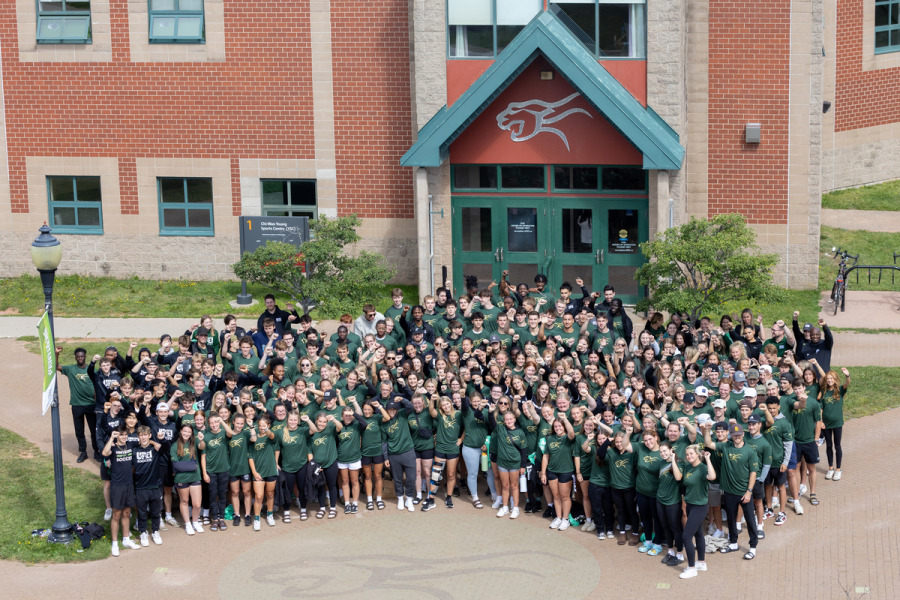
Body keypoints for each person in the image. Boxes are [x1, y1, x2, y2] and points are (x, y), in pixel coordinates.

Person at [703, 423, 760, 560]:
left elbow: (753, 473)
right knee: (730, 518)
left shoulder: (750, 451)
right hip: (729, 491)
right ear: (731, 436)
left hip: (744, 492)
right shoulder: (726, 446)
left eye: (739, 435)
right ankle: (733, 543)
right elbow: (708, 443)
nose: (737, 437)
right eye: (734, 435)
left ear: (743, 434)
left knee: (751, 520)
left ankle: (753, 547)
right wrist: (707, 429)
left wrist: (749, 491)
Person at [672, 444, 717, 579]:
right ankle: (701, 563)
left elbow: (712, 476)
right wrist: (673, 460)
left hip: (700, 507)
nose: (689, 456)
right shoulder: (687, 467)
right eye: (687, 454)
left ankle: (692, 568)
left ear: (698, 454)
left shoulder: (703, 468)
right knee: (698, 534)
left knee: (686, 536)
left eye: (691, 454)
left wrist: (708, 459)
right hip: (690, 505)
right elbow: (679, 478)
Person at [103, 425, 141, 556]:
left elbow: (144, 440)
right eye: (121, 435)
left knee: (126, 512)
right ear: (117, 436)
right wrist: (111, 438)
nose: (124, 437)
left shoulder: (130, 445)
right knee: (116, 515)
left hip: (129, 484)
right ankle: (114, 543)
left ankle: (126, 539)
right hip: (117, 485)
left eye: (125, 435)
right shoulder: (113, 448)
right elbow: (104, 453)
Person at [57, 346, 98, 462]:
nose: (80, 358)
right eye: (78, 356)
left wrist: (96, 399)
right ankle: (83, 452)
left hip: (91, 404)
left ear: (85, 356)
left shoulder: (91, 370)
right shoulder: (71, 369)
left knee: (94, 430)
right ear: (75, 357)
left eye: (82, 356)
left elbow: (97, 384)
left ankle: (96, 451)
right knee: (79, 431)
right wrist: (57, 354)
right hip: (77, 405)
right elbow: (56, 366)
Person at [132, 425, 164, 547]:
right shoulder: (134, 451)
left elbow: (164, 446)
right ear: (138, 437)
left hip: (155, 487)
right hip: (140, 487)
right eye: (141, 435)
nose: (143, 437)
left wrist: (156, 442)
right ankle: (143, 532)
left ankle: (155, 531)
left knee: (156, 512)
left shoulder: (155, 449)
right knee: (142, 513)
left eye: (146, 435)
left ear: (150, 435)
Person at [171, 423, 206, 535]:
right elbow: (175, 465)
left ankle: (195, 522)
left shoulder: (194, 443)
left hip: (195, 476)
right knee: (184, 501)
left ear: (192, 434)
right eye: (184, 431)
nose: (186, 434)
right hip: (181, 478)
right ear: (181, 431)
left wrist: (201, 440)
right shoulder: (174, 446)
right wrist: (189, 466)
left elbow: (202, 447)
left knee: (197, 504)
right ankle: (187, 524)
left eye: (189, 432)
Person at [248, 415, 279, 529]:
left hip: (270, 470)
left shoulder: (271, 437)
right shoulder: (253, 438)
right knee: (259, 496)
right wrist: (254, 472)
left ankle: (269, 515)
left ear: (268, 425)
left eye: (264, 425)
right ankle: (257, 519)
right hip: (259, 472)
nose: (261, 427)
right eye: (260, 425)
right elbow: (250, 457)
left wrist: (266, 430)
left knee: (270, 494)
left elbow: (271, 435)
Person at [820, 368, 850, 482]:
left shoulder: (840, 390)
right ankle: (830, 468)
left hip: (837, 423)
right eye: (828, 379)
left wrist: (847, 376)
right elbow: (821, 408)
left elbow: (847, 383)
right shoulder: (824, 392)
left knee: (837, 446)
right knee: (828, 445)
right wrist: (821, 421)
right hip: (826, 424)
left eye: (831, 378)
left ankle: (838, 469)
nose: (829, 380)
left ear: (835, 379)